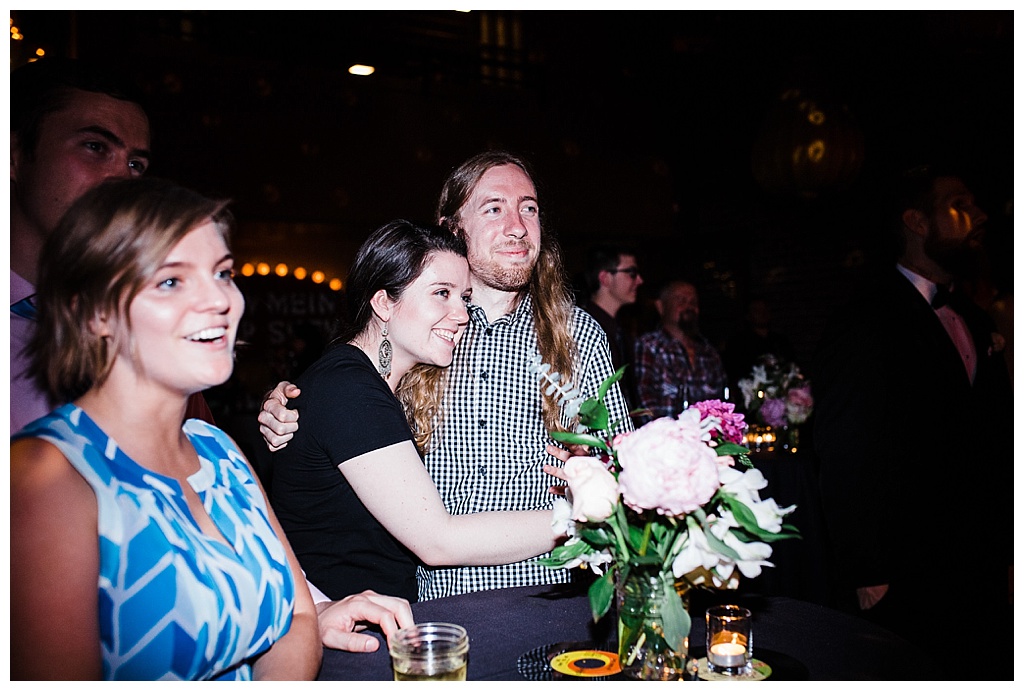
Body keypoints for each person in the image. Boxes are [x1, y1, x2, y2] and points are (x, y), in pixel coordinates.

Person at [259, 151, 630, 601]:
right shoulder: (428, 331)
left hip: (546, 599)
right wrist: (290, 406)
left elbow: (620, 473)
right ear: (453, 229)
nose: (517, 226)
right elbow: (346, 405)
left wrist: (596, 478)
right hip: (429, 607)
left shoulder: (579, 337)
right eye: (494, 208)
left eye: (528, 208)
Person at [10, 177, 321, 680]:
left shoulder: (216, 447)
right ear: (92, 313)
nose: (219, 300)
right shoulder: (46, 476)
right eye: (171, 281)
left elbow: (298, 619)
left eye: (222, 273)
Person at [271, 219, 566, 603]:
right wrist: (581, 517)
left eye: (464, 297)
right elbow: (439, 542)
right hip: (348, 637)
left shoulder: (371, 385)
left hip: (374, 621)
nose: (461, 314)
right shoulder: (349, 389)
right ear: (383, 303)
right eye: (441, 293)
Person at [812, 164, 1013, 680]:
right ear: (917, 221)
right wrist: (866, 569)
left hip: (982, 559)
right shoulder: (865, 320)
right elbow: (844, 446)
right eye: (960, 203)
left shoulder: (975, 317)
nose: (980, 214)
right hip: (908, 569)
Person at [10, 57, 213, 434]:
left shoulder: (147, 326)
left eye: (136, 164)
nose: (121, 178)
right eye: (95, 146)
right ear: (16, 156)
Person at [634, 279, 727, 421]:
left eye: (693, 302)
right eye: (681, 301)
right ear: (661, 306)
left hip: (707, 440)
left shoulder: (709, 353)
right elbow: (644, 403)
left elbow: (723, 403)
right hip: (664, 439)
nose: (689, 306)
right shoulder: (649, 346)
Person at [579, 243, 643, 409]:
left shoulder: (619, 331)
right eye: (631, 273)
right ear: (605, 278)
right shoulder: (584, 330)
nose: (639, 280)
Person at [721, 297, 798, 392]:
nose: (763, 313)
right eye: (757, 310)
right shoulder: (739, 343)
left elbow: (792, 368)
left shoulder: (780, 341)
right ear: (748, 316)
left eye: (765, 309)